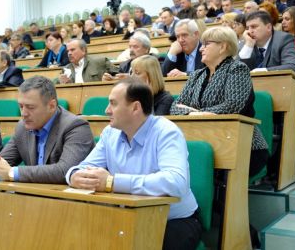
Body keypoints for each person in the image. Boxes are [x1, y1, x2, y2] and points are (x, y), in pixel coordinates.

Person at [66, 77, 201, 250]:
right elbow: (83, 167)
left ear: (135, 107)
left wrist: (112, 182)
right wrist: (74, 176)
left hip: (173, 219)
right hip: (125, 216)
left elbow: (176, 182)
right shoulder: (110, 133)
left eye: (113, 104)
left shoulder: (167, 132)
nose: (107, 110)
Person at [170, 27, 269, 177]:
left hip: (243, 145)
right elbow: (175, 107)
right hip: (205, 140)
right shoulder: (197, 74)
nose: (201, 48)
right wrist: (197, 113)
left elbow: (233, 106)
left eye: (206, 44)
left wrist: (196, 113)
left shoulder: (237, 69)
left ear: (223, 46)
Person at [0, 76, 95, 183]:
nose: (23, 114)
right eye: (21, 106)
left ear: (51, 106)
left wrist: (11, 172)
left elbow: (66, 171)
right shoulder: (22, 127)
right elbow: (2, 163)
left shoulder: (76, 126)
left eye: (30, 107)